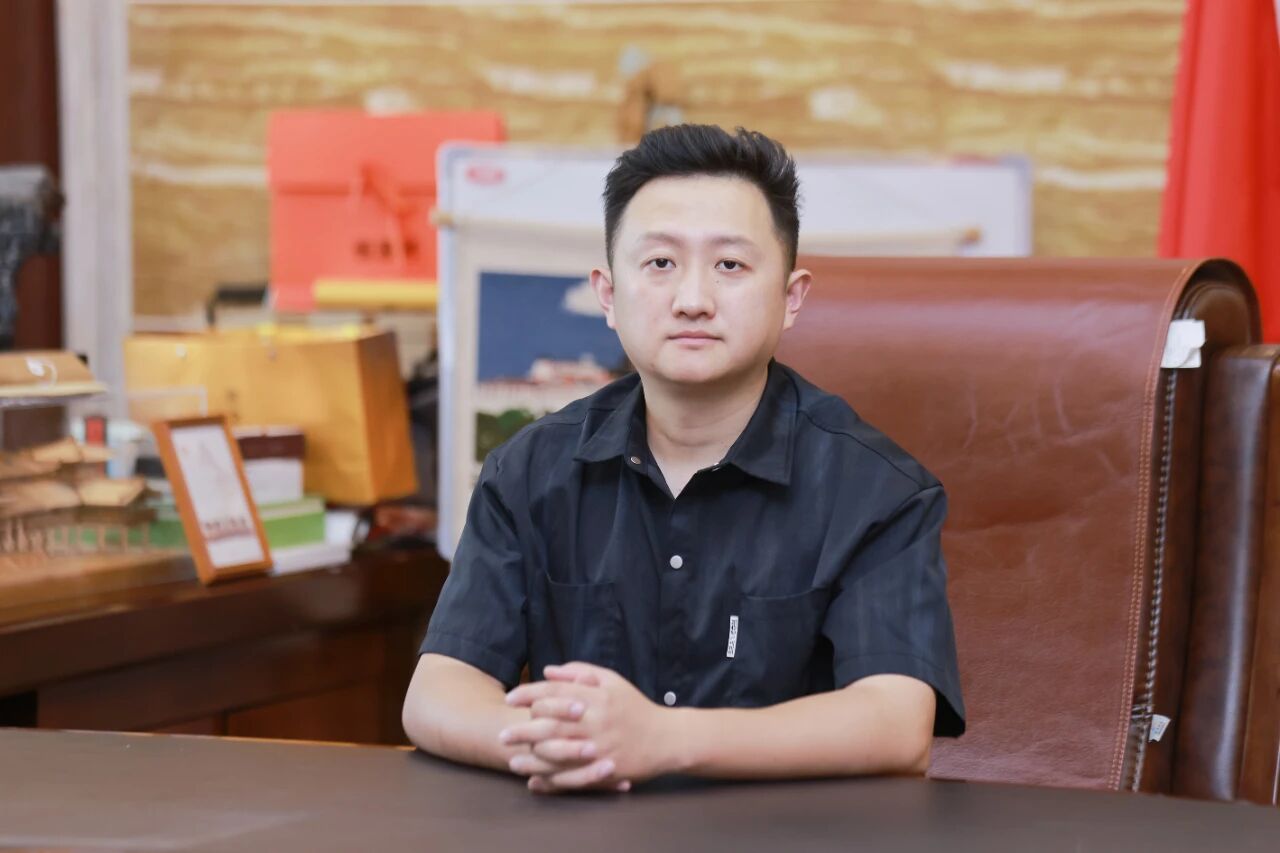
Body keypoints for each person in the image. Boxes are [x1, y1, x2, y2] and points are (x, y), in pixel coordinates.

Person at [402, 124, 964, 794]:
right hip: (586, 827)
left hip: (789, 835)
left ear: (791, 297)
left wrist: (662, 742)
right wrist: (569, 747)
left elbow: (896, 723)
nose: (692, 300)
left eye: (730, 266)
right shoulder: (527, 472)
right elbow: (438, 690)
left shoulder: (878, 491)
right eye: (660, 263)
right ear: (608, 294)